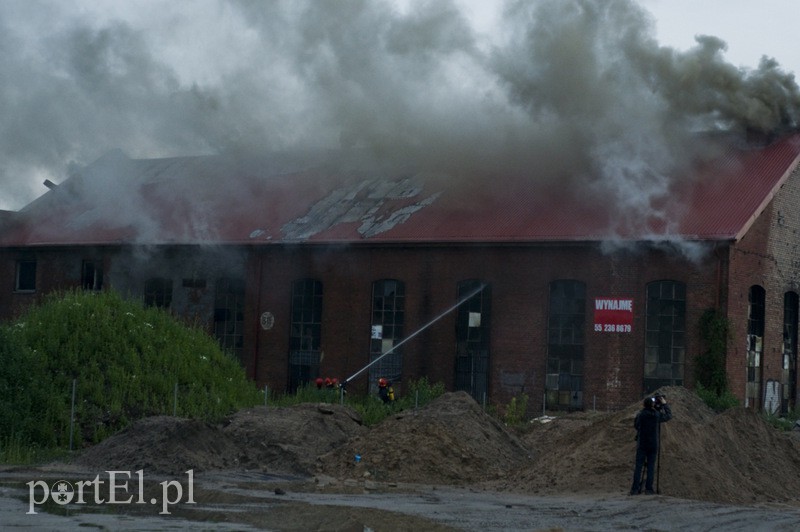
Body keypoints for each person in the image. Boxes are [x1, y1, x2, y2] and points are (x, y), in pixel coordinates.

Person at [630, 393, 672, 495]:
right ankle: (649, 489)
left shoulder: (641, 415)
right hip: (653, 443)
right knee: (651, 466)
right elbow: (669, 416)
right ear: (652, 405)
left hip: (642, 443)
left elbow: (636, 425)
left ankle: (635, 489)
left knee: (639, 466)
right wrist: (664, 404)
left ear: (644, 405)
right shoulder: (656, 415)